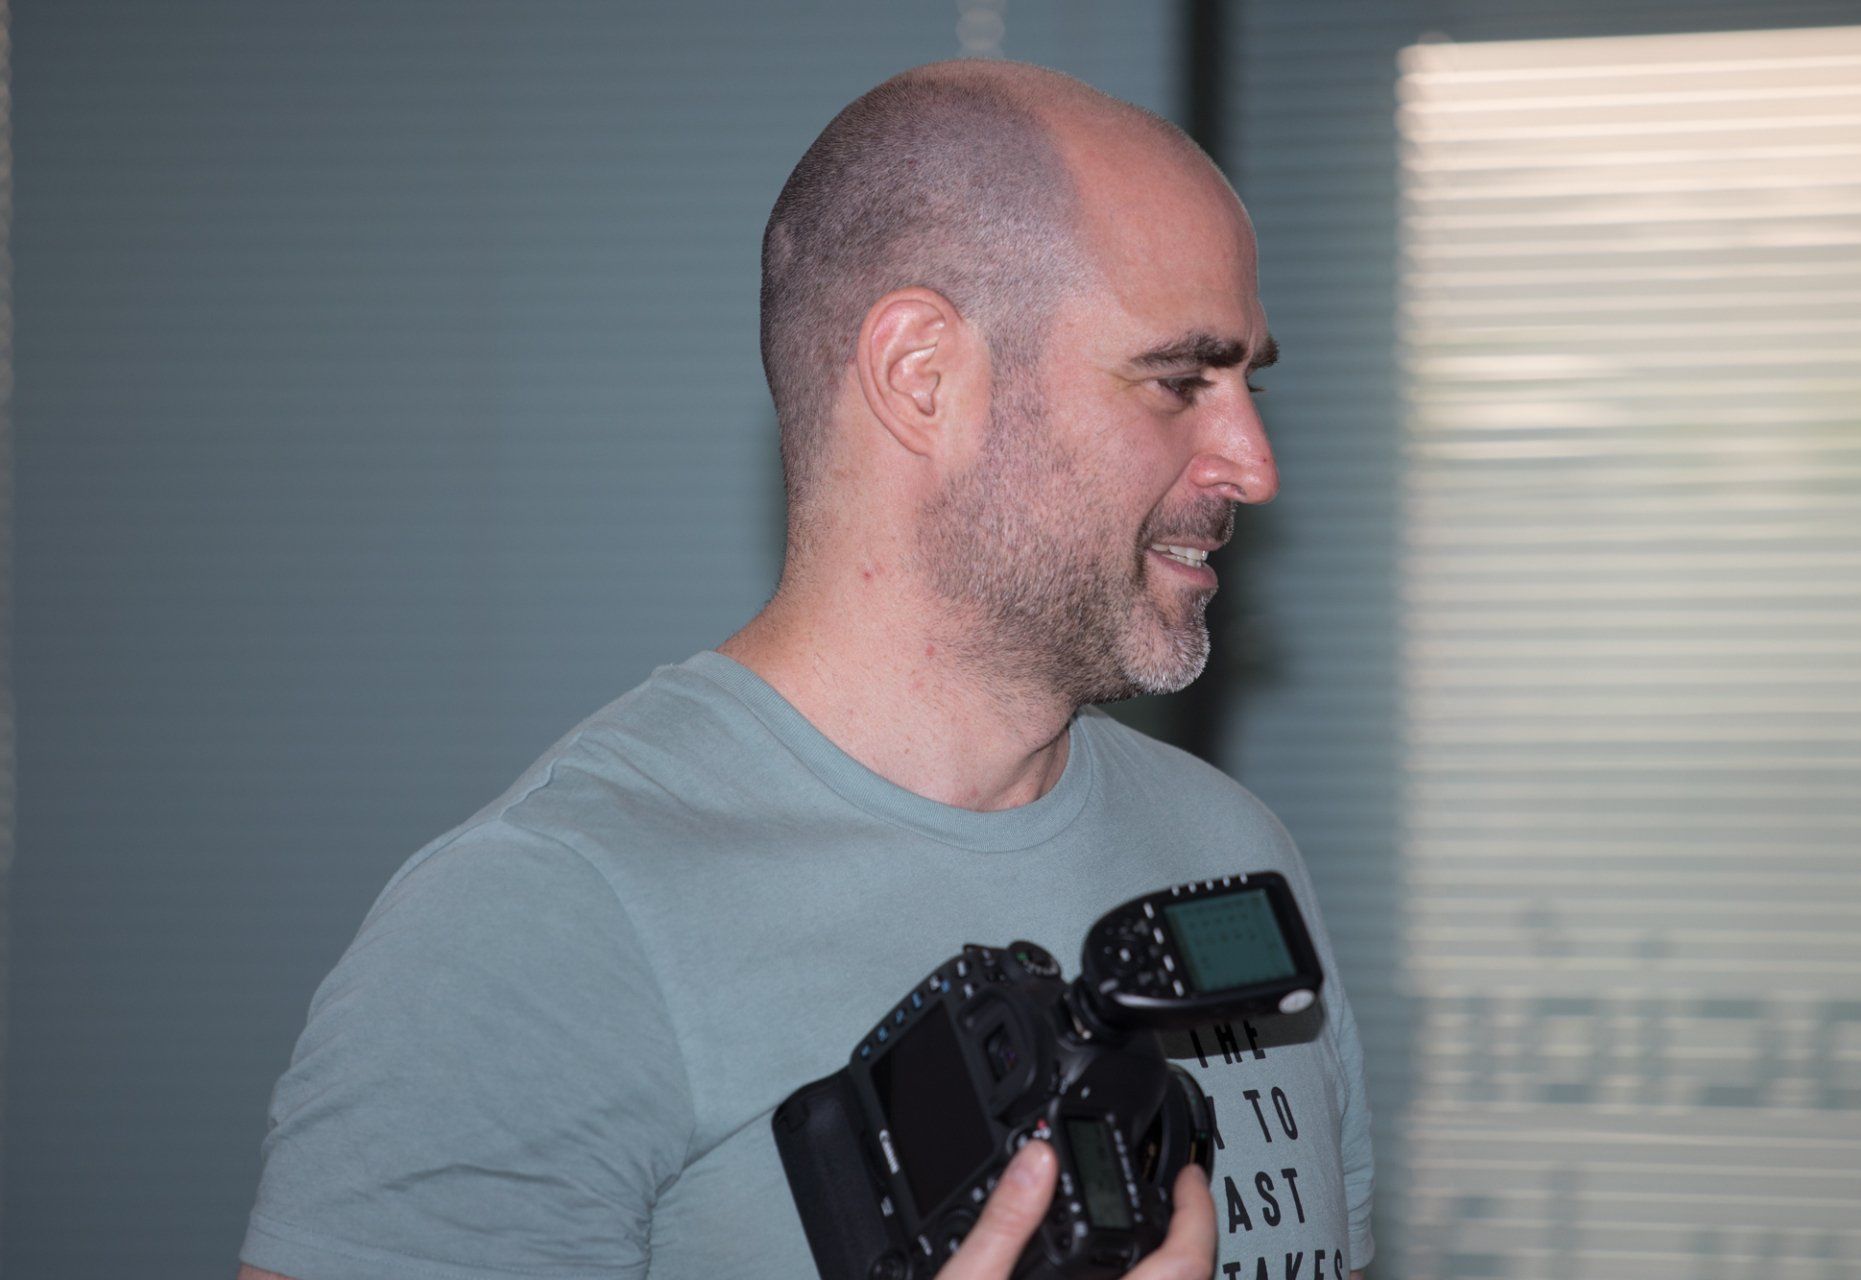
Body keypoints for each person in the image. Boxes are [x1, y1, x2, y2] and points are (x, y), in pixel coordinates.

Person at [238, 60, 1372, 1280]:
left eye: (1247, 383)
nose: (1254, 462)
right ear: (922, 376)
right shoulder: (542, 927)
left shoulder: (1228, 853)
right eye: (1178, 380)